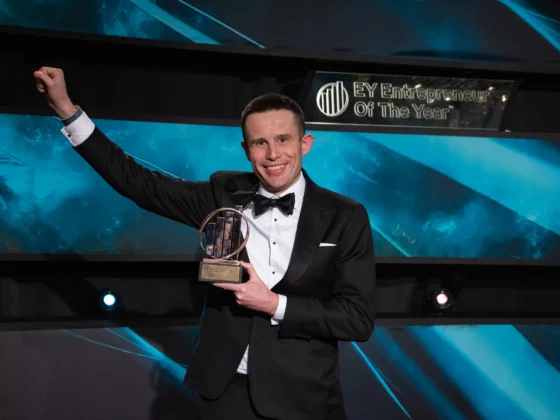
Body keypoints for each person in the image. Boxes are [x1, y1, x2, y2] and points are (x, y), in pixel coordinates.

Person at [34, 66, 376, 420]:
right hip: (225, 393)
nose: (273, 154)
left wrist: (275, 303)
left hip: (303, 397)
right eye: (260, 142)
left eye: (283, 139)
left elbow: (358, 319)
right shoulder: (223, 195)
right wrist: (66, 110)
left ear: (305, 143)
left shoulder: (344, 215)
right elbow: (138, 183)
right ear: (246, 149)